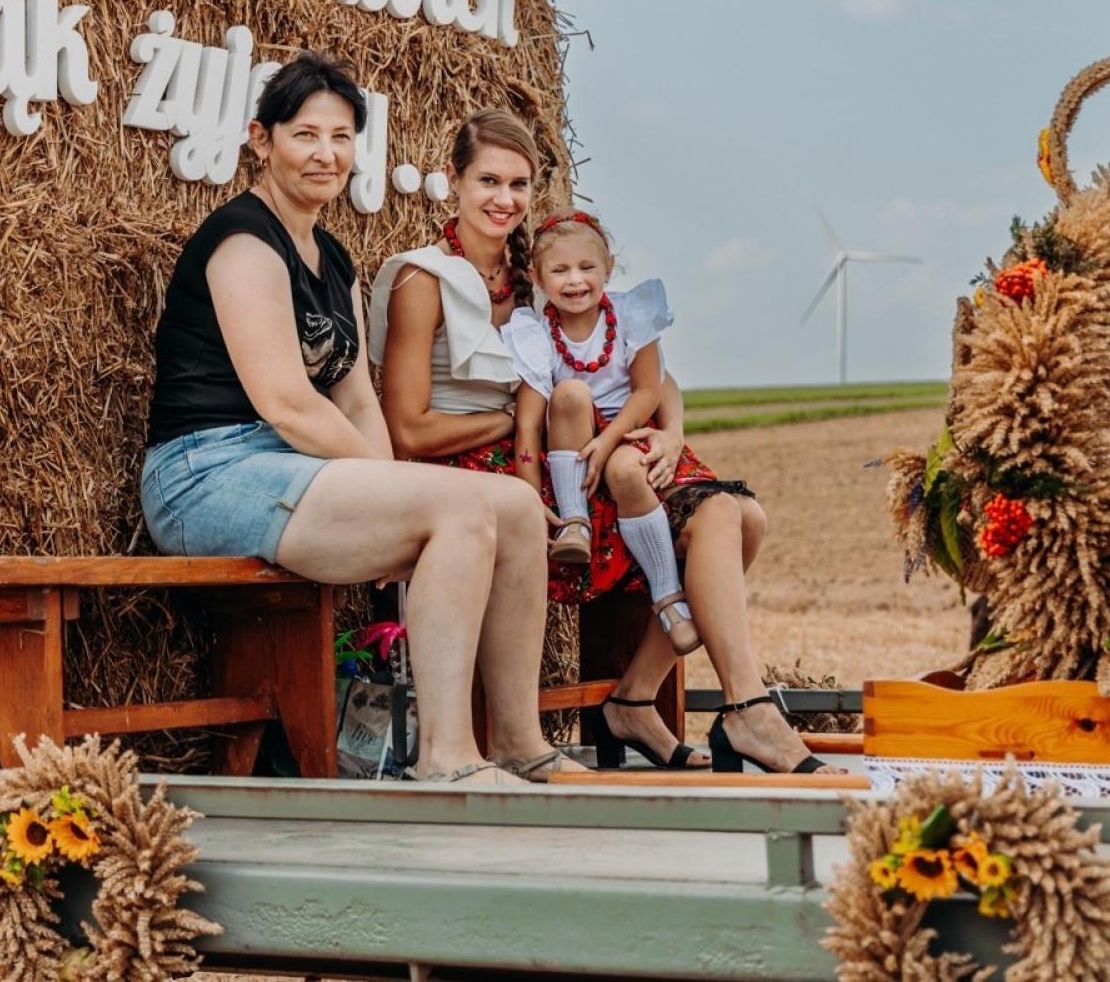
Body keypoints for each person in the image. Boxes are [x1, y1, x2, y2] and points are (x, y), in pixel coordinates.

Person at [138, 52, 583, 785]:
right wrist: (394, 482)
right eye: (305, 134)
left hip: (291, 463)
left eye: (341, 137)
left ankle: (519, 740)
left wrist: (393, 481)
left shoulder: (332, 258)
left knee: (515, 506)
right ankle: (445, 757)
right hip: (208, 470)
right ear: (262, 140)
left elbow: (355, 398)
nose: (326, 154)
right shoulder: (243, 242)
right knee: (464, 507)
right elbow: (285, 401)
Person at [369, 109, 837, 776]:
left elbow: (639, 364)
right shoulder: (424, 281)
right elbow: (407, 428)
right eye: (488, 181)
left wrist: (670, 431)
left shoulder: (547, 275)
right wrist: (513, 421)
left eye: (520, 184)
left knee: (737, 517)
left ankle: (672, 699)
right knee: (713, 521)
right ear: (454, 180)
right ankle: (738, 712)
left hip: (576, 446)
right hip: (483, 465)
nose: (505, 200)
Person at [502, 209, 700, 656]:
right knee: (569, 393)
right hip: (570, 437)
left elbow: (650, 389)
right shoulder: (534, 334)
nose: (575, 280)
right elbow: (530, 424)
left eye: (587, 267)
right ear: (536, 276)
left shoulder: (631, 314)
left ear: (608, 268)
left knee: (631, 472)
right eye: (559, 270)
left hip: (627, 428)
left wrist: (609, 441)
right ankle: (575, 523)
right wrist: (530, 497)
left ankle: (668, 597)